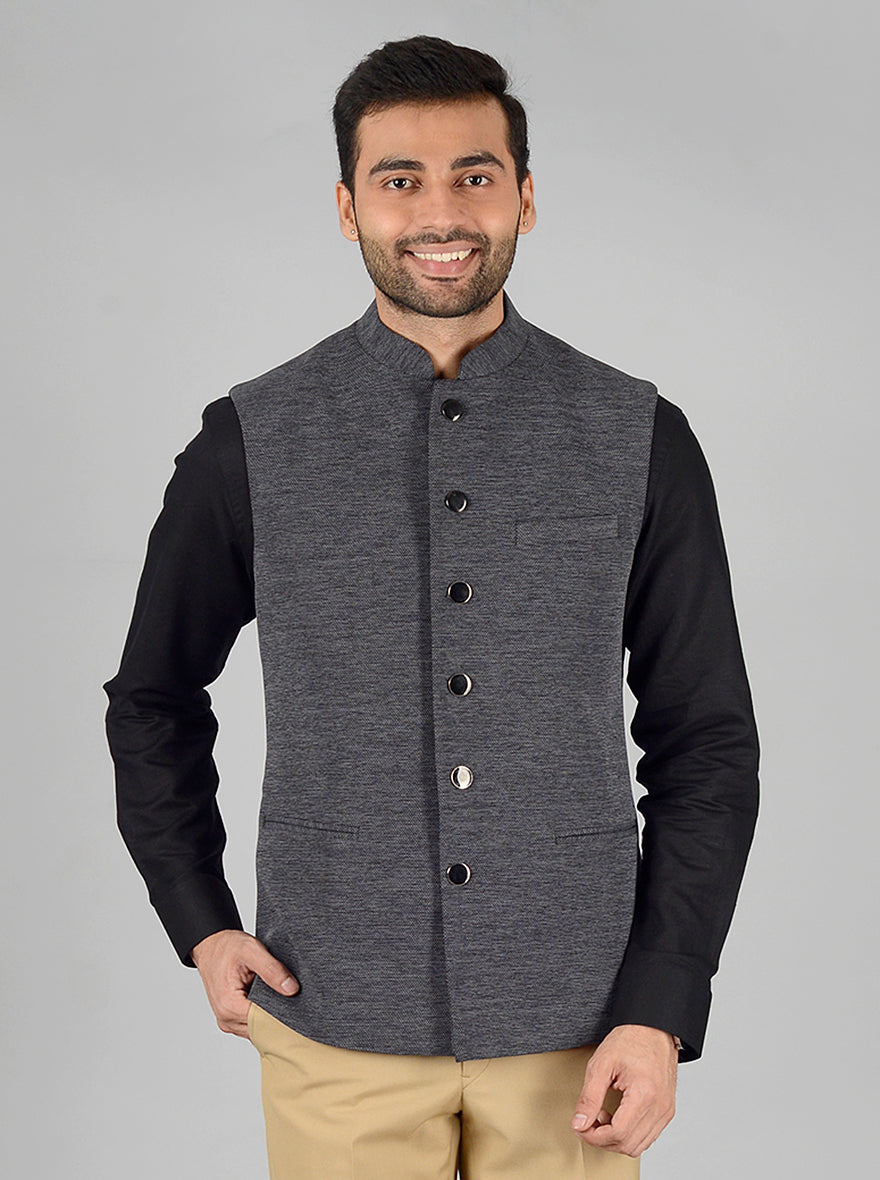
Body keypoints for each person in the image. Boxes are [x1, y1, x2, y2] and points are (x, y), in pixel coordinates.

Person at [103, 34, 760, 1179]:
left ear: (525, 198)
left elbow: (705, 740)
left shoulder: (638, 437)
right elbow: (152, 697)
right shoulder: (251, 441)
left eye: (474, 175)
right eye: (399, 179)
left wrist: (662, 1000)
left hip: (580, 1028)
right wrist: (198, 919)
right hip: (333, 1016)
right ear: (347, 208)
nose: (440, 212)